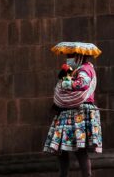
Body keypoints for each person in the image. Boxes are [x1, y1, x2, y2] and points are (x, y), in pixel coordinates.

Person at [44, 47, 102, 177]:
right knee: (61, 148)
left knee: (80, 149)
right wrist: (66, 73)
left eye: (71, 56)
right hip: (67, 112)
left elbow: (82, 84)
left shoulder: (85, 69)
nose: (68, 59)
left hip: (78, 113)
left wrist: (66, 83)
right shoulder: (74, 69)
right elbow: (62, 84)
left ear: (78, 56)